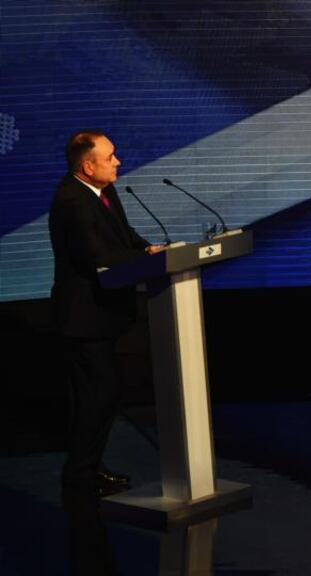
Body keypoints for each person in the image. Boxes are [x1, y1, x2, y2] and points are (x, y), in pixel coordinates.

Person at [49, 130, 164, 497]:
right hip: (83, 317)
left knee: (104, 395)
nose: (118, 162)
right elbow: (96, 255)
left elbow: (122, 235)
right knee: (97, 396)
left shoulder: (104, 190)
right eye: (110, 156)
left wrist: (147, 248)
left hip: (103, 313)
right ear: (87, 166)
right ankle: (80, 474)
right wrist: (144, 259)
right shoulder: (71, 201)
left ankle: (89, 469)